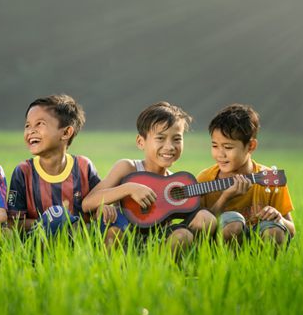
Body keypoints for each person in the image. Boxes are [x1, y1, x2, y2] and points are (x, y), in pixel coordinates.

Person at [82, 102, 217, 257]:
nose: (170, 146)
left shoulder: (176, 183)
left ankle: (166, 266)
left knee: (199, 224)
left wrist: (228, 193)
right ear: (141, 142)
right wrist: (130, 188)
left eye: (177, 139)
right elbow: (87, 203)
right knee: (113, 233)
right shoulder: (128, 168)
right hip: (125, 236)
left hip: (158, 241)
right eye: (160, 138)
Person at [7, 94, 123, 243]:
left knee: (119, 218)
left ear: (66, 132)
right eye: (27, 125)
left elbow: (96, 205)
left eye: (39, 124)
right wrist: (56, 223)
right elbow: (14, 222)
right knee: (57, 214)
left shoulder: (83, 166)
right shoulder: (23, 171)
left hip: (81, 241)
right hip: (39, 244)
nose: (31, 131)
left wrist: (102, 209)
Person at [197, 104, 295, 246]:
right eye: (214, 146)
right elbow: (199, 229)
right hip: (219, 245)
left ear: (251, 146)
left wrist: (279, 218)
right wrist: (225, 197)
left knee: (275, 231)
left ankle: (265, 267)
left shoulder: (269, 179)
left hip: (258, 241)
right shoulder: (205, 178)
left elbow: (291, 230)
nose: (220, 154)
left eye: (228, 147)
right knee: (233, 224)